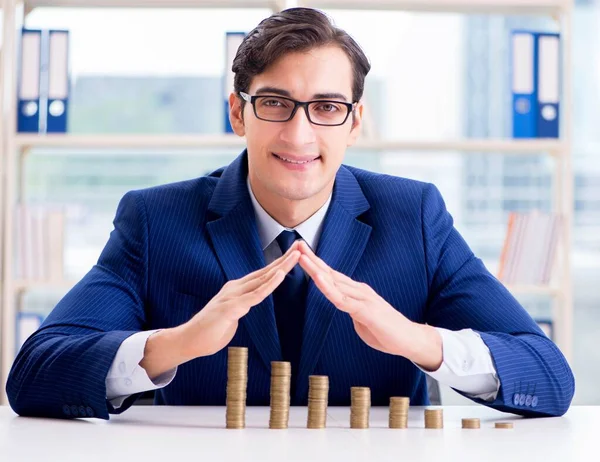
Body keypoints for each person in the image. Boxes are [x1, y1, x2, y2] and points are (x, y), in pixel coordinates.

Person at [6, 7, 574, 420]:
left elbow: (548, 376)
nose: (299, 134)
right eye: (276, 103)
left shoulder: (414, 216)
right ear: (238, 112)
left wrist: (418, 340)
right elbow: (34, 373)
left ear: (354, 123)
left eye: (326, 107)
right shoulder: (156, 220)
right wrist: (177, 343)